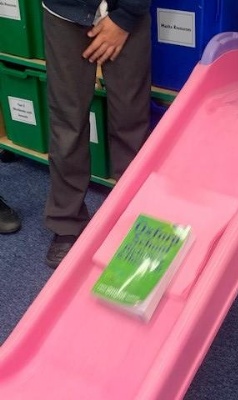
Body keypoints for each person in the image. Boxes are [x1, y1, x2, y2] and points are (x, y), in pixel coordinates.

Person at [42, 1, 152, 268]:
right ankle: (67, 222)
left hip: (128, 10)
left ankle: (134, 218)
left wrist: (125, 17)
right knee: (67, 121)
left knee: (130, 118)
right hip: (64, 10)